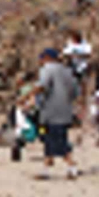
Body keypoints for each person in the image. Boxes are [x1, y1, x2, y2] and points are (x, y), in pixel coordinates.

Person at [35, 48, 80, 179]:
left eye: (42, 58)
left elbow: (42, 86)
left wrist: (27, 96)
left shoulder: (48, 69)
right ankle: (46, 169)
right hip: (65, 112)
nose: (40, 61)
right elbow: (75, 92)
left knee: (58, 141)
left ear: (48, 58)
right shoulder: (68, 71)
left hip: (50, 112)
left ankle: (72, 167)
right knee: (50, 140)